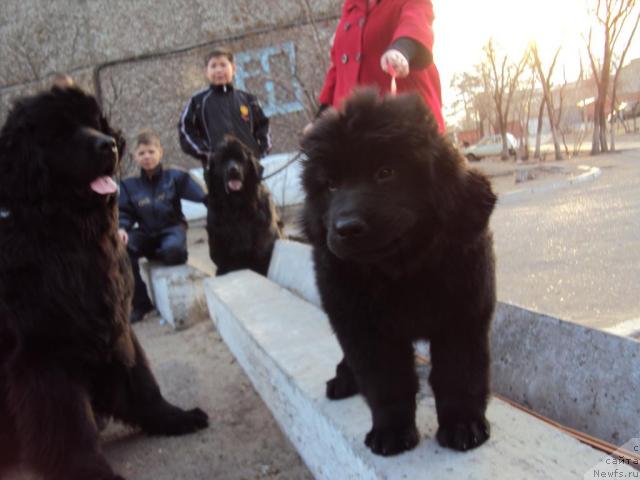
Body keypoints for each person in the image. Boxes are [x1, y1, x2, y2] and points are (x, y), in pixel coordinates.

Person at [118, 129, 207, 323]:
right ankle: (141, 305)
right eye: (141, 153)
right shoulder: (128, 185)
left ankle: (166, 251)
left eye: (151, 151)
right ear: (135, 157)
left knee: (173, 253)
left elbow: (204, 196)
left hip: (171, 230)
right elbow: (123, 213)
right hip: (145, 233)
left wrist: (215, 201)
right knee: (122, 251)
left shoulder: (175, 177)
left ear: (160, 152)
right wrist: (122, 228)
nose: (147, 157)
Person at [314, 0, 445, 132]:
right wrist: (320, 118)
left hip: (404, 126)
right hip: (354, 132)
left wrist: (402, 49)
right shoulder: (351, 10)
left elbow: (416, 23)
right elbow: (337, 71)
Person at [178, 47, 271, 177]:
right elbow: (185, 130)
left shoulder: (249, 100)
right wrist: (207, 153)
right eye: (213, 66)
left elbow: (263, 126)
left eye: (223, 65)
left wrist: (261, 151)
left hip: (249, 169)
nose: (219, 70)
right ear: (206, 72)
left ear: (233, 68)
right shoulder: (198, 102)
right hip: (217, 171)